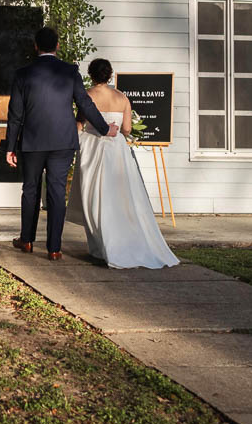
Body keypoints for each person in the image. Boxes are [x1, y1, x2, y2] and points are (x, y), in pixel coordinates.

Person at [6, 26, 118, 260]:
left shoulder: (23, 73)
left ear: (36, 46)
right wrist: (105, 128)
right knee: (57, 191)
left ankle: (26, 241)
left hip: (32, 141)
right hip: (62, 141)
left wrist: (10, 147)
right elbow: (85, 104)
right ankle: (54, 248)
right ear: (57, 46)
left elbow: (15, 114)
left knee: (30, 190)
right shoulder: (69, 71)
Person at [75, 58, 179, 269]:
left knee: (93, 195)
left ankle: (98, 246)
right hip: (116, 150)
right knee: (119, 195)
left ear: (91, 74)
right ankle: (117, 241)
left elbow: (79, 124)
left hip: (92, 148)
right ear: (110, 74)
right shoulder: (122, 98)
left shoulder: (87, 95)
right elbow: (127, 130)